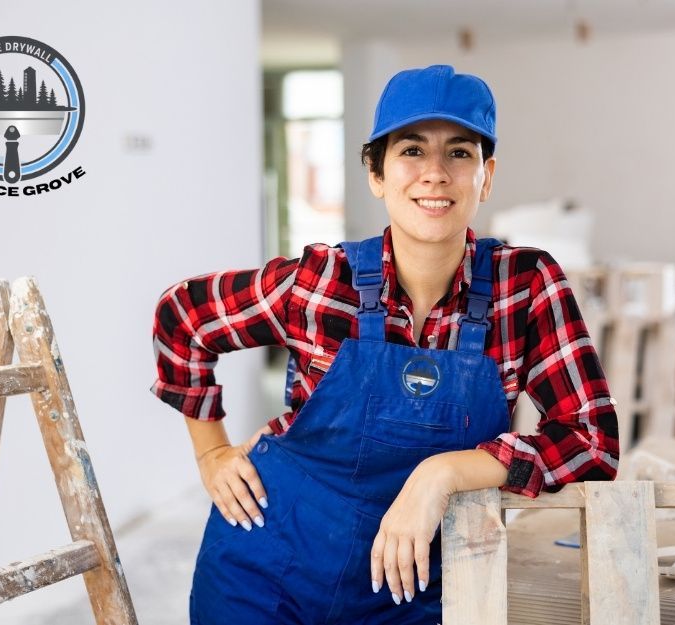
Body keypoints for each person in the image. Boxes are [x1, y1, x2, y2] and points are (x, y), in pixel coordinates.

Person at [151, 64, 619, 625]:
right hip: (264, 571)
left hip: (413, 587)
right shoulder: (323, 282)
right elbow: (182, 316)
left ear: (486, 176)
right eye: (412, 151)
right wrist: (211, 452)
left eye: (460, 153)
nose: (435, 174)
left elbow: (593, 442)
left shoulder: (525, 286)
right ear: (376, 173)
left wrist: (443, 473)